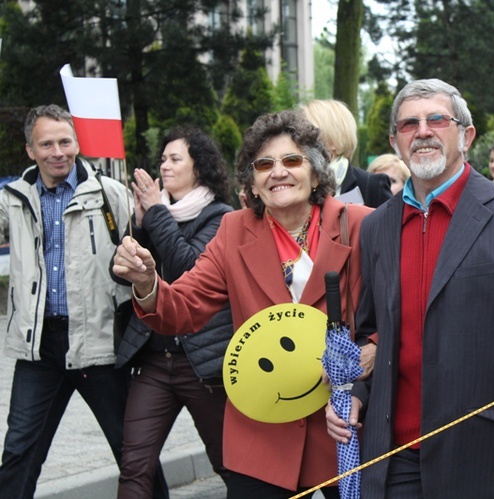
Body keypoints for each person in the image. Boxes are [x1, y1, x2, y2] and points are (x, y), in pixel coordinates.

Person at [326, 78, 494, 497]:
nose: (422, 131)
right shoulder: (375, 227)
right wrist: (359, 394)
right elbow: (372, 334)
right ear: (395, 140)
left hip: (489, 451)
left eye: (437, 119)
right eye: (408, 124)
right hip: (397, 455)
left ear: (466, 135)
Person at [113, 110, 373, 498]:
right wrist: (148, 282)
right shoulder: (233, 231)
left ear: (316, 173)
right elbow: (183, 307)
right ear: (252, 181)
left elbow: (398, 313)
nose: (278, 172)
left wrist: (370, 352)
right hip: (263, 432)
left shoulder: (361, 224)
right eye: (264, 164)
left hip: (341, 423)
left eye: (292, 161)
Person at [0, 105, 159, 498]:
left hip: (99, 346)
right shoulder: (13, 199)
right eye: (46, 143)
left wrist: (143, 222)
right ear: (30, 150)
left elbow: (147, 250)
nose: (58, 151)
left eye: (65, 141)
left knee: (132, 450)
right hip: (38, 349)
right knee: (19, 450)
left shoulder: (109, 193)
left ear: (77, 144)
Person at [115, 127, 234, 497]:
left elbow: (190, 269)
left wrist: (155, 215)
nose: (164, 166)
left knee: (227, 462)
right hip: (153, 361)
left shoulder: (222, 216)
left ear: (198, 168)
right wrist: (138, 225)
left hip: (203, 364)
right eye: (162, 159)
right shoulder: (155, 213)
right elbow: (121, 273)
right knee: (134, 465)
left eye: (174, 159)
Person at [300, 99, 392, 207]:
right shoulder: (300, 185)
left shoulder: (372, 185)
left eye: (309, 136)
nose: (300, 143)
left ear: (333, 142)